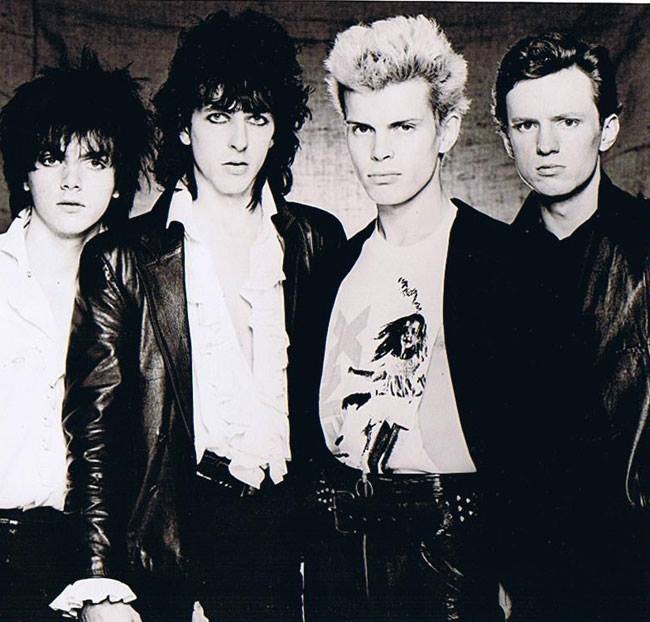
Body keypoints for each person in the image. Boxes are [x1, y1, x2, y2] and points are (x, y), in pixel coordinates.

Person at [57, 10, 345, 622]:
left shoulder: (314, 240)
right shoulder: (123, 257)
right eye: (217, 116)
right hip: (171, 548)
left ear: (277, 130)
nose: (238, 140)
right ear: (184, 129)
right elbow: (94, 431)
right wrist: (98, 581)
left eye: (257, 118)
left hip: (290, 551)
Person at [297, 15, 514, 621]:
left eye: (403, 126)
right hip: (339, 561)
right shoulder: (331, 268)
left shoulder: (504, 264)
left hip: (453, 558)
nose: (379, 152)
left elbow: (549, 457)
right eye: (361, 128)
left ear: (446, 130)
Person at [492, 30, 650, 622]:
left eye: (567, 121)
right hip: (534, 586)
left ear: (607, 130)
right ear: (505, 139)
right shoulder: (486, 269)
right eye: (526, 125)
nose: (547, 145)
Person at [0, 50, 153, 621]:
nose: (71, 180)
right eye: (50, 158)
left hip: (98, 558)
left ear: (118, 181)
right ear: (23, 174)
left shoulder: (146, 289)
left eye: (94, 160)